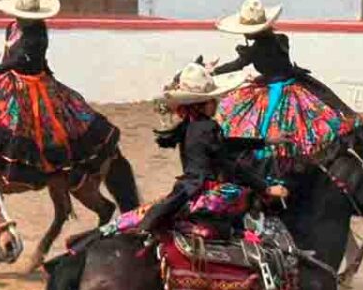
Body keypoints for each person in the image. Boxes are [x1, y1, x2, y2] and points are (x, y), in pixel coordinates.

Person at [108, 64, 285, 243]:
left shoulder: (190, 126)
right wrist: (266, 187)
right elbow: (228, 164)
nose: (216, 103)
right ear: (201, 106)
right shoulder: (208, 127)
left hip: (184, 191)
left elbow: (224, 144)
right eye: (212, 100)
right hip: (204, 192)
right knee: (242, 198)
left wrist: (264, 142)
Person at [0, 0, 120, 183]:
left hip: (31, 83)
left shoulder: (37, 36)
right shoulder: (12, 27)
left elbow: (17, 61)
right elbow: (8, 56)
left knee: (32, 121)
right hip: (10, 78)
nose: (20, 19)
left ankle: (34, 164)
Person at [210, 0, 361, 170]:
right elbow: (277, 66)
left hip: (276, 88)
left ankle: (265, 156)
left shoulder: (255, 50)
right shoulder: (281, 39)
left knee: (259, 118)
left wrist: (213, 72)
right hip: (295, 81)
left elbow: (236, 65)